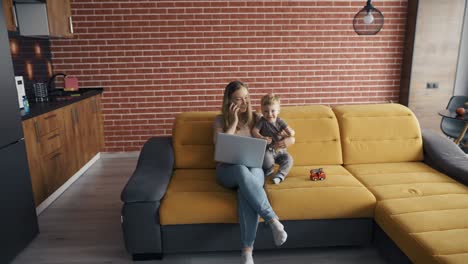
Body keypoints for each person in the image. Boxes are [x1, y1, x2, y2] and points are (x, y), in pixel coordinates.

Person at [213, 81, 295, 264]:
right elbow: (220, 148)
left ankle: (247, 253)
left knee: (246, 191)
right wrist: (233, 122)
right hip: (227, 170)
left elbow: (282, 131)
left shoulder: (257, 118)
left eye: (246, 98)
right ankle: (273, 220)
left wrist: (291, 140)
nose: (243, 102)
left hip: (254, 168)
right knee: (242, 170)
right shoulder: (220, 120)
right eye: (238, 99)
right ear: (228, 101)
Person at [252, 93, 295, 184]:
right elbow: (254, 131)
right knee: (266, 158)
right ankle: (268, 170)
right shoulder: (262, 121)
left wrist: (290, 134)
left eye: (273, 111)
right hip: (268, 149)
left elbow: (290, 131)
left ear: (278, 110)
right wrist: (262, 137)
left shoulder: (280, 121)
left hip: (281, 150)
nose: (269, 114)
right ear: (262, 111)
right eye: (266, 111)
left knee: (289, 159)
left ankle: (280, 175)